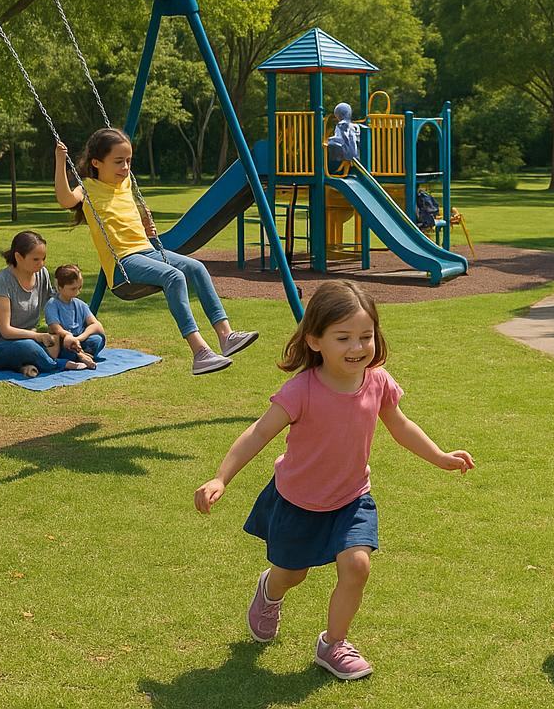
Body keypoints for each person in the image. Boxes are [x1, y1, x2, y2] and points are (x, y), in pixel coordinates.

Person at [194, 281, 474, 681]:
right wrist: (221, 477)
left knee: (357, 566)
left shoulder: (377, 381)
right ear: (315, 340)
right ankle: (269, 592)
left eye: (366, 336)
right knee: (294, 573)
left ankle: (333, 644)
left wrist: (441, 457)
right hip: (297, 502)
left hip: (351, 499)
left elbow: (401, 425)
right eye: (343, 338)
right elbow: (258, 432)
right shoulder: (301, 391)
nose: (357, 347)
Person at [54, 129, 258, 376]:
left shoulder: (126, 183)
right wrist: (59, 161)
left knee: (196, 267)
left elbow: (121, 217)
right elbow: (65, 199)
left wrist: (144, 225)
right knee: (174, 276)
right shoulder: (88, 188)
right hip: (124, 265)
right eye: (118, 162)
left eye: (128, 160)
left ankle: (226, 336)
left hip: (147, 250)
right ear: (97, 163)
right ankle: (200, 352)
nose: (125, 167)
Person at [0, 231, 75, 377]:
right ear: (18, 257)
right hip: (0, 345)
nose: (41, 264)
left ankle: (30, 365)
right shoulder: (3, 281)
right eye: (36, 259)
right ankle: (57, 364)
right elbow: (6, 331)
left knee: (95, 340)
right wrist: (38, 337)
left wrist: (70, 332)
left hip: (32, 338)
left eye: (43, 258)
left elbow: (54, 305)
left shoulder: (42, 273)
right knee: (28, 347)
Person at [44, 264, 107, 369]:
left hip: (79, 341)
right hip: (64, 342)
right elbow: (56, 328)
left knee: (98, 339)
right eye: (73, 289)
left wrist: (79, 338)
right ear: (60, 287)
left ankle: (79, 355)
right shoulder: (52, 304)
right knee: (58, 344)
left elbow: (97, 325)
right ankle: (80, 356)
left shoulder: (80, 304)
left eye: (79, 288)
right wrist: (69, 337)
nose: (77, 292)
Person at [327, 102, 361, 171]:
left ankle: (331, 170)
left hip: (346, 153)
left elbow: (341, 139)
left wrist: (329, 140)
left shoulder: (341, 125)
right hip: (356, 154)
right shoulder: (354, 125)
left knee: (327, 147)